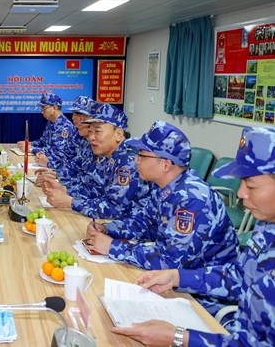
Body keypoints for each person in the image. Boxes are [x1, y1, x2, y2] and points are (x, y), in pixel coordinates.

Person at [112, 126, 275, 347]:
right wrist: (177, 277)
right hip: (234, 326)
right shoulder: (267, 223)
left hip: (215, 313)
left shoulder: (193, 197)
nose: (240, 194)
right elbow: (238, 276)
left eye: (252, 186)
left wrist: (179, 337)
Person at [85, 120, 238, 315]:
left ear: (166, 164)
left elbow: (171, 262)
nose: (136, 161)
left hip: (202, 296)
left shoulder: (192, 199)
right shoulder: (164, 187)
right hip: (170, 282)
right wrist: (108, 229)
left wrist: (112, 247)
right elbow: (144, 224)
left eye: (142, 155)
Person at [41, 104, 151, 219]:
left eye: (97, 131)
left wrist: (70, 202)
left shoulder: (128, 161)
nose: (91, 137)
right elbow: (94, 189)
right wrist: (64, 189)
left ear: (118, 134)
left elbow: (113, 208)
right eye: (90, 131)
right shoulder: (106, 155)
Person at [35, 95, 96, 187]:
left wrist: (59, 181)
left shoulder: (98, 146)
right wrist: (55, 173)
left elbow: (89, 183)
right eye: (74, 113)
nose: (74, 118)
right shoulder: (80, 137)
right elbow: (73, 163)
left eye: (80, 115)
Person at [17, 92, 75, 170]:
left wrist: (30, 149)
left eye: (44, 108)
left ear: (54, 107)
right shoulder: (51, 122)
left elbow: (56, 150)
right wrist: (29, 143)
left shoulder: (65, 126)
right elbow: (43, 141)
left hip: (59, 166)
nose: (42, 112)